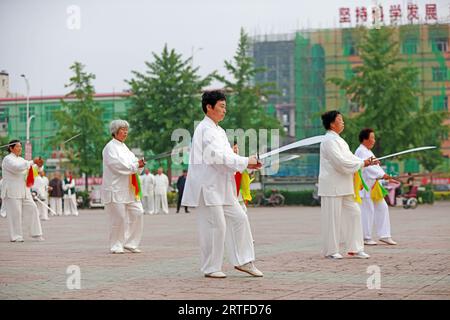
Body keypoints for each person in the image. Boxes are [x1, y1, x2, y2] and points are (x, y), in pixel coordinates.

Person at [181, 90, 263, 278]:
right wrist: (244, 160)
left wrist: (247, 164)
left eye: (225, 106)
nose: (225, 110)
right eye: (221, 106)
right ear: (209, 107)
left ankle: (244, 261)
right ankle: (211, 267)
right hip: (208, 187)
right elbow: (218, 157)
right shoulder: (204, 129)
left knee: (240, 218)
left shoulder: (219, 131)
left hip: (223, 188)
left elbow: (228, 158)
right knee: (215, 227)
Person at [318, 111, 376, 259]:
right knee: (332, 219)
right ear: (332, 123)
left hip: (344, 185)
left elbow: (351, 158)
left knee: (355, 213)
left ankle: (355, 248)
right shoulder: (328, 141)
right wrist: (362, 163)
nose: (343, 122)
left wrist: (367, 162)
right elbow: (340, 162)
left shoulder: (340, 141)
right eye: (340, 120)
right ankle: (331, 251)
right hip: (331, 186)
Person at [102, 119, 145, 254]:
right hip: (115, 188)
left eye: (126, 130)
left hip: (130, 189)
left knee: (138, 212)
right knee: (118, 217)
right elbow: (117, 165)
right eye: (122, 130)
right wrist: (135, 166)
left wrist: (139, 164)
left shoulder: (125, 148)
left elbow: (134, 164)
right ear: (115, 132)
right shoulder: (110, 148)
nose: (125, 132)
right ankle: (116, 244)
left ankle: (130, 242)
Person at [355, 128, 398, 246]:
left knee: (382, 207)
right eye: (372, 138)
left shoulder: (368, 151)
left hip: (373, 187)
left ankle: (385, 235)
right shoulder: (361, 151)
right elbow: (369, 169)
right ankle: (366, 237)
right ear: (365, 139)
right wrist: (383, 175)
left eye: (374, 138)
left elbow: (376, 168)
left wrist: (386, 176)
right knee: (367, 211)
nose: (374, 140)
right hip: (365, 188)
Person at [1, 139, 44, 242]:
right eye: (17, 146)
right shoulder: (7, 159)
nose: (20, 148)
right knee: (15, 214)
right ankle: (16, 236)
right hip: (11, 191)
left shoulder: (21, 159)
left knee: (33, 208)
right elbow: (17, 168)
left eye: (20, 146)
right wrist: (32, 161)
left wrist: (38, 165)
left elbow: (30, 170)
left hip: (24, 191)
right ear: (11, 148)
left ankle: (36, 234)